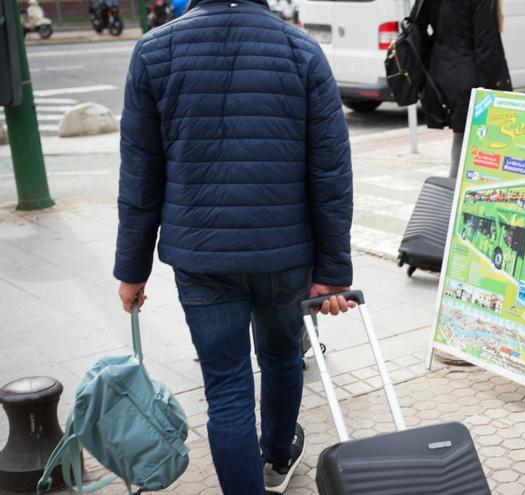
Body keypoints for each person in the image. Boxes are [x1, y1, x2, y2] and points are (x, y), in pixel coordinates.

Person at [113, 1, 354, 492]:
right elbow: (331, 171)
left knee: (226, 388)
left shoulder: (155, 51)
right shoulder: (302, 51)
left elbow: (140, 175)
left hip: (202, 257)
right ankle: (278, 458)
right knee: (283, 356)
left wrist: (131, 269)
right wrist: (333, 270)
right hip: (285, 253)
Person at [415, 0, 512, 177]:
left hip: (443, 72)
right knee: (476, 149)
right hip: (472, 79)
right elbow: (486, 46)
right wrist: (494, 94)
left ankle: (455, 195)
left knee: (461, 142)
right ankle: (456, 198)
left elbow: (418, 25)